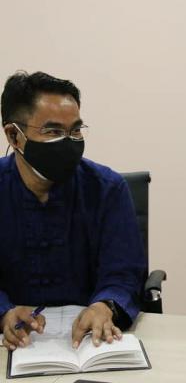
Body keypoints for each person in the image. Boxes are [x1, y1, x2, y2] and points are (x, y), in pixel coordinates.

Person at [0, 71, 146, 351]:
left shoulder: (107, 188)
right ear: (14, 136)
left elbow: (124, 272)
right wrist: (4, 312)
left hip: (91, 342)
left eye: (75, 130)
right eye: (53, 132)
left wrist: (105, 306)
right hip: (12, 345)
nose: (68, 142)